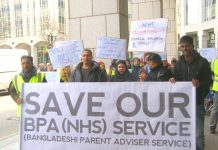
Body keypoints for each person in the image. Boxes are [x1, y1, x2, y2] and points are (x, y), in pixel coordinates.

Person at [169, 35, 212, 150]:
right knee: (183, 131)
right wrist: (173, 80)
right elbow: (176, 78)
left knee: (198, 133)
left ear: (192, 46)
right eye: (182, 46)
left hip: (197, 103)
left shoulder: (203, 62)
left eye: (187, 46)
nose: (184, 49)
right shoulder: (178, 64)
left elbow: (209, 81)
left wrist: (199, 84)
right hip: (182, 104)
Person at [209, 58, 218, 134]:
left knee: (215, 108)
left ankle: (212, 127)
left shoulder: (214, 61)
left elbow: (211, 74)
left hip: (216, 87)